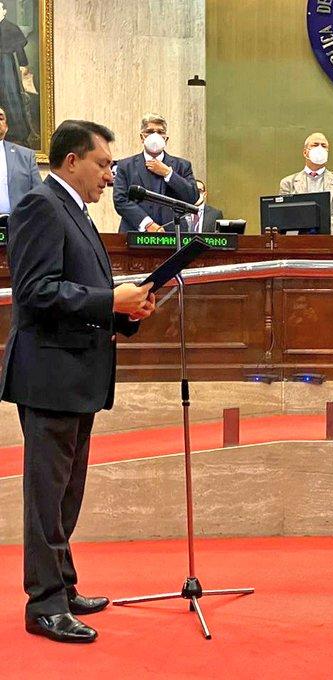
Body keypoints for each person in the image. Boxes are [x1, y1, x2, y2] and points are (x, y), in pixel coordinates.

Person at [0, 119, 156, 643]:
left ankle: (62, 587)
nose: (111, 175)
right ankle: (43, 604)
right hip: (48, 372)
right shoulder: (40, 206)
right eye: (104, 164)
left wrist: (123, 314)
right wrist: (112, 298)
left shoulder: (77, 211)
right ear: (72, 161)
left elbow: (78, 292)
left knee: (67, 491)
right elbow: (37, 293)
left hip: (76, 369)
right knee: (47, 494)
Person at [114, 113, 198, 233]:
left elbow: (192, 197)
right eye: (150, 131)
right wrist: (148, 224)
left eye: (160, 132)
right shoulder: (125, 166)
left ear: (166, 138)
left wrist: (168, 173)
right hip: (135, 234)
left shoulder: (182, 165)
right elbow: (120, 200)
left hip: (174, 235)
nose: (155, 135)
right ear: (142, 137)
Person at [279, 132, 333, 234]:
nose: (320, 148)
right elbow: (284, 212)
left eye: (324, 146)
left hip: (331, 240)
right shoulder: (288, 182)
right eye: (315, 145)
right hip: (298, 240)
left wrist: (325, 229)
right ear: (305, 152)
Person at [0, 2, 33, 146]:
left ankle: (15, 131)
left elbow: (19, 50)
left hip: (6, 68)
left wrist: (23, 65)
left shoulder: (12, 28)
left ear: (4, 11)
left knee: (10, 96)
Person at [0, 106, 41, 218]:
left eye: (0, 118)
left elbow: (38, 195)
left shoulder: (26, 156)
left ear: (6, 127)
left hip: (18, 226)